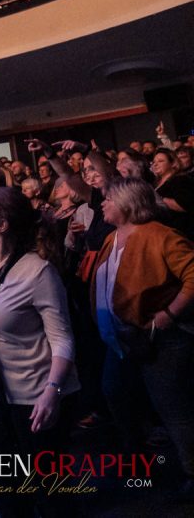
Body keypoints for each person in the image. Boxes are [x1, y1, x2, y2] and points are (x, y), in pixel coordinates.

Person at [0, 187, 80, 516]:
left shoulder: (37, 271)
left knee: (50, 490)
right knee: (6, 490)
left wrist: (52, 391)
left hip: (33, 398)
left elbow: (63, 338)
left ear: (1, 225)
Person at [93, 177, 194, 499]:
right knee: (115, 395)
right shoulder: (112, 237)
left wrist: (169, 314)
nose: (102, 203)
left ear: (127, 202)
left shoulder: (160, 235)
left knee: (173, 409)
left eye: (108, 199)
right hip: (121, 340)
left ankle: (191, 473)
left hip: (160, 340)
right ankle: (143, 465)